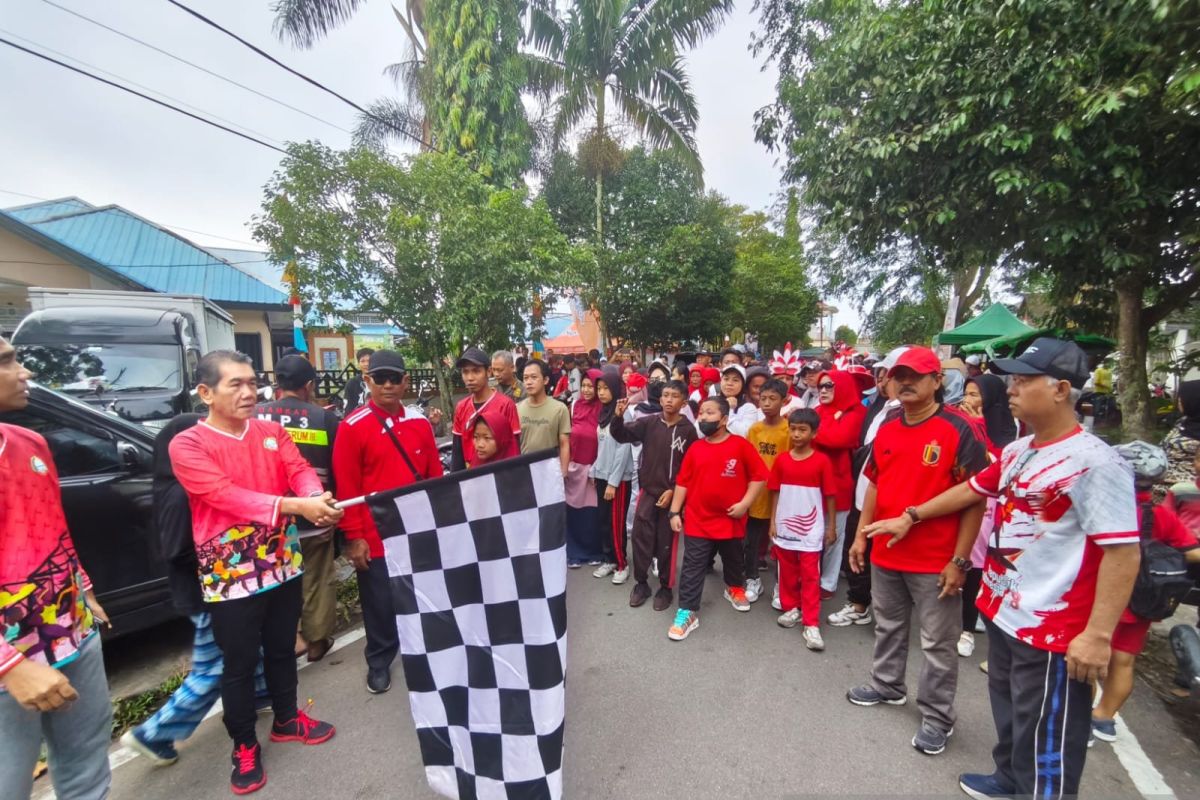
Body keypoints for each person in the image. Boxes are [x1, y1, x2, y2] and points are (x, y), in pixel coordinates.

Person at [862, 337, 1141, 798]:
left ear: (1061, 389)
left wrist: (1097, 634)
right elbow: (972, 490)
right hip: (1006, 611)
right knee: (1013, 714)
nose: (1010, 387)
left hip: (1053, 627)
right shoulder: (1019, 450)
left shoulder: (1095, 462)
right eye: (1012, 378)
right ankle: (1010, 778)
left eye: (1024, 380)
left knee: (1049, 736)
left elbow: (1123, 552)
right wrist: (911, 515)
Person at [169, 350, 340, 794]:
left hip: (283, 562)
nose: (249, 392)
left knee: (283, 648)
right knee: (240, 664)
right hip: (231, 576)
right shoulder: (188, 444)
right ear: (206, 393)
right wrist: (296, 505)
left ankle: (286, 718)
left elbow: (298, 470)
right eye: (235, 385)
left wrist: (314, 496)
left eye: (251, 383)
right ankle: (244, 744)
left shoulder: (271, 431)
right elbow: (225, 496)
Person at [844, 346, 988, 757]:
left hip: (935, 560)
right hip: (886, 553)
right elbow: (874, 482)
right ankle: (887, 685)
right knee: (888, 625)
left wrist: (960, 561)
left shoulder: (959, 429)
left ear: (937, 382)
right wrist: (861, 537)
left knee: (937, 644)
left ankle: (937, 717)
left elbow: (975, 498)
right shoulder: (888, 425)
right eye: (898, 375)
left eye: (916, 376)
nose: (905, 382)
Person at [123, 414, 272, 766]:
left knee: (249, 641)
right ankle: (155, 733)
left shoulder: (183, 484)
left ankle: (261, 694)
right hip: (205, 593)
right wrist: (220, 559)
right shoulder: (178, 493)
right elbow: (178, 551)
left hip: (218, 587)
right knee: (216, 667)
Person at [1, 336, 113, 800]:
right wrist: (9, 666)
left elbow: (55, 529)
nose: (24, 371)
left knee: (86, 769)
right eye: (7, 362)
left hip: (71, 633)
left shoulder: (29, 443)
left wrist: (83, 591)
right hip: (11, 665)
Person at [333, 350, 444, 696]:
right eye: (380, 378)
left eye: (395, 378)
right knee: (379, 604)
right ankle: (379, 660)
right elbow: (346, 488)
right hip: (374, 535)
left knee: (423, 597)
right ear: (368, 381)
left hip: (418, 530)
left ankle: (426, 653)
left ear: (405, 382)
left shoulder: (420, 423)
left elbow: (433, 479)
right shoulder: (352, 427)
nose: (388, 385)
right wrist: (353, 537)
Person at [1090, 442, 1200, 743]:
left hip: (1102, 596)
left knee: (1090, 658)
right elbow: (1192, 551)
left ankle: (1079, 716)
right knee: (1123, 662)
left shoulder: (1106, 509)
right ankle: (1104, 719)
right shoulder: (1160, 516)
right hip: (1142, 600)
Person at [256, 355, 341, 663]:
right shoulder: (326, 418)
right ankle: (317, 642)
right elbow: (337, 468)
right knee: (316, 581)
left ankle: (286, 642)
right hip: (315, 517)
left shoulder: (254, 416)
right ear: (308, 385)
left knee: (276, 582)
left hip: (269, 521)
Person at [666, 397, 768, 641]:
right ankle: (687, 611)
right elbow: (683, 481)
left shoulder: (740, 446)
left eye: (709, 413)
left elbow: (759, 477)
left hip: (731, 519)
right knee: (693, 566)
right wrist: (674, 511)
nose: (703, 418)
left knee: (734, 558)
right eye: (701, 413)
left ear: (724, 419)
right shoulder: (696, 448)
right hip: (698, 519)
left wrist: (745, 504)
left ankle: (733, 587)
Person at [828, 349, 906, 626]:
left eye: (887, 374)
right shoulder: (882, 408)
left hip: (890, 501)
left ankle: (887, 616)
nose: (881, 379)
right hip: (864, 493)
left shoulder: (905, 415)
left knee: (884, 558)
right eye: (880, 374)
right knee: (858, 550)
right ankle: (859, 603)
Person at [610, 380, 698, 610]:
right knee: (641, 539)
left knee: (666, 543)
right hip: (648, 493)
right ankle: (641, 583)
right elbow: (620, 434)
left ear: (684, 402)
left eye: (674, 396)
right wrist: (617, 417)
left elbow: (691, 469)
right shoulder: (649, 423)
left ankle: (665, 588)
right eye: (665, 395)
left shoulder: (688, 431)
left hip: (673, 496)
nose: (669, 400)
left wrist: (674, 492)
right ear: (659, 399)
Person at [768, 408, 837, 651]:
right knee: (786, 571)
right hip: (785, 527)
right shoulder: (782, 460)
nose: (796, 434)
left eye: (802, 429)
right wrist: (773, 521)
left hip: (811, 531)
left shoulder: (822, 462)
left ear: (814, 433)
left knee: (810, 575)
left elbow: (829, 496)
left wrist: (831, 527)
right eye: (793, 429)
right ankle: (792, 608)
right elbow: (775, 491)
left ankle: (811, 623)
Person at [813, 370, 868, 598]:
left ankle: (828, 583)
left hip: (838, 484)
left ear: (843, 386)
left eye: (829, 385)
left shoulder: (856, 412)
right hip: (813, 482)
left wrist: (812, 431)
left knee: (833, 535)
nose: (823, 390)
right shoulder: (818, 411)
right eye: (821, 386)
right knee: (813, 533)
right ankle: (812, 576)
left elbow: (839, 439)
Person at [744, 379, 791, 603]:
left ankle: (783, 586)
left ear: (784, 400)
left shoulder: (789, 430)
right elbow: (748, 461)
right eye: (763, 398)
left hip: (782, 495)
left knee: (782, 543)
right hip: (758, 494)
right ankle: (753, 578)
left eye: (772, 399)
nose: (766, 403)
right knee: (752, 541)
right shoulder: (755, 429)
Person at [591, 367, 635, 584]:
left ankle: (621, 563)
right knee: (603, 521)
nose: (601, 392)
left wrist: (613, 482)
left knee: (616, 523)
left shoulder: (623, 412)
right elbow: (602, 448)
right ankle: (608, 559)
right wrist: (595, 471)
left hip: (617, 479)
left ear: (616, 389)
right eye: (599, 388)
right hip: (602, 475)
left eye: (606, 388)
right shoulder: (603, 412)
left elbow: (623, 449)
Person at [452, 347, 521, 470]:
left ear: (488, 372)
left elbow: (513, 449)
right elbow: (457, 452)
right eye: (465, 372)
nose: (470, 377)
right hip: (469, 475)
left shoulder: (506, 405)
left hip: (498, 474)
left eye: (476, 371)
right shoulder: (461, 407)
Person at [566, 370, 604, 567]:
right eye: (584, 386)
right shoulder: (574, 406)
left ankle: (594, 552)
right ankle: (574, 553)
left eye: (592, 386)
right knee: (574, 511)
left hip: (593, 470)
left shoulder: (603, 409)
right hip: (573, 469)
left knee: (591, 513)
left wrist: (596, 469)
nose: (587, 390)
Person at [518, 359, 571, 475]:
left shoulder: (560, 409)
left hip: (550, 472)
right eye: (525, 378)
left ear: (546, 380)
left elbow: (564, 444)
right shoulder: (517, 409)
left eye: (533, 377)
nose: (529, 382)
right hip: (525, 471)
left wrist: (563, 472)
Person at [1160, 380, 1200, 497]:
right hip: (1160, 482)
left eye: (1182, 398)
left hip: (1187, 493)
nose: (1179, 401)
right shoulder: (1183, 421)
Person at [342, 348, 374, 413]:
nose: (366, 364)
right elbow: (348, 408)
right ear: (359, 363)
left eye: (369, 361)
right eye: (362, 361)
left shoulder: (380, 381)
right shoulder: (352, 383)